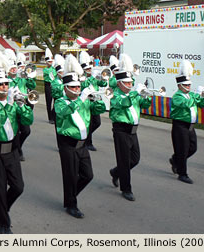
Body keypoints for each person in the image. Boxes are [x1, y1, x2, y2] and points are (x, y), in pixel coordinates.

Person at [0, 49, 33, 234]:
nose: (4, 87)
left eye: (6, 84)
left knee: (18, 186)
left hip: (11, 149)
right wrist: (9, 104)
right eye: (0, 84)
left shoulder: (13, 101)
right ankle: (4, 222)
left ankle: (4, 207)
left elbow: (27, 122)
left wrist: (24, 106)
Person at [55, 54, 106, 218]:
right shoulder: (60, 101)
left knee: (88, 175)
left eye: (78, 87)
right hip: (68, 143)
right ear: (66, 88)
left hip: (82, 145)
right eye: (74, 87)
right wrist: (81, 98)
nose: (77, 89)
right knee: (70, 176)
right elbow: (63, 113)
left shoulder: (84, 100)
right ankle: (71, 204)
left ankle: (69, 197)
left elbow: (99, 110)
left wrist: (97, 100)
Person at [109, 54, 151, 201]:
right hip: (121, 130)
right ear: (119, 83)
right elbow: (124, 103)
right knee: (124, 160)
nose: (129, 85)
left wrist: (146, 96)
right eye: (126, 83)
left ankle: (116, 172)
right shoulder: (116, 95)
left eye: (130, 82)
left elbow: (145, 106)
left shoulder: (133, 95)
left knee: (135, 159)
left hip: (133, 131)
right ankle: (126, 189)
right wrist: (135, 94)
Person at [169, 60, 204, 184]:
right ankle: (182, 173)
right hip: (180, 125)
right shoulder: (177, 96)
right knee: (183, 149)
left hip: (190, 126)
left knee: (193, 148)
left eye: (189, 85)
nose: (188, 87)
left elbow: (201, 105)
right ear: (180, 85)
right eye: (186, 85)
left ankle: (176, 160)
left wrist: (203, 96)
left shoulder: (191, 94)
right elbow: (186, 104)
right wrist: (195, 95)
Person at [5, 49, 36, 161]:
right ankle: (18, 150)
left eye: (15, 67)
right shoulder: (5, 81)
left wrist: (29, 76)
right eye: (11, 68)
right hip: (12, 108)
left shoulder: (21, 77)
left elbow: (32, 85)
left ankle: (18, 147)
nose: (14, 69)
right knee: (16, 131)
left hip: (22, 105)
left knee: (26, 131)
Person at [79, 51, 107, 151]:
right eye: (87, 68)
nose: (89, 70)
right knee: (89, 122)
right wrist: (91, 77)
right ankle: (88, 142)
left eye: (90, 68)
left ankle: (86, 137)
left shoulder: (93, 77)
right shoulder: (81, 78)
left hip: (94, 101)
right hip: (86, 102)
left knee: (97, 122)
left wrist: (103, 78)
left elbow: (103, 85)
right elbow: (83, 86)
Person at [43, 48, 56, 124]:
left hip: (54, 85)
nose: (50, 63)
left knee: (56, 101)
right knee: (48, 102)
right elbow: (49, 74)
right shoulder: (45, 69)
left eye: (51, 61)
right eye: (49, 62)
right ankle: (50, 118)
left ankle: (53, 114)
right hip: (48, 85)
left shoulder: (54, 68)